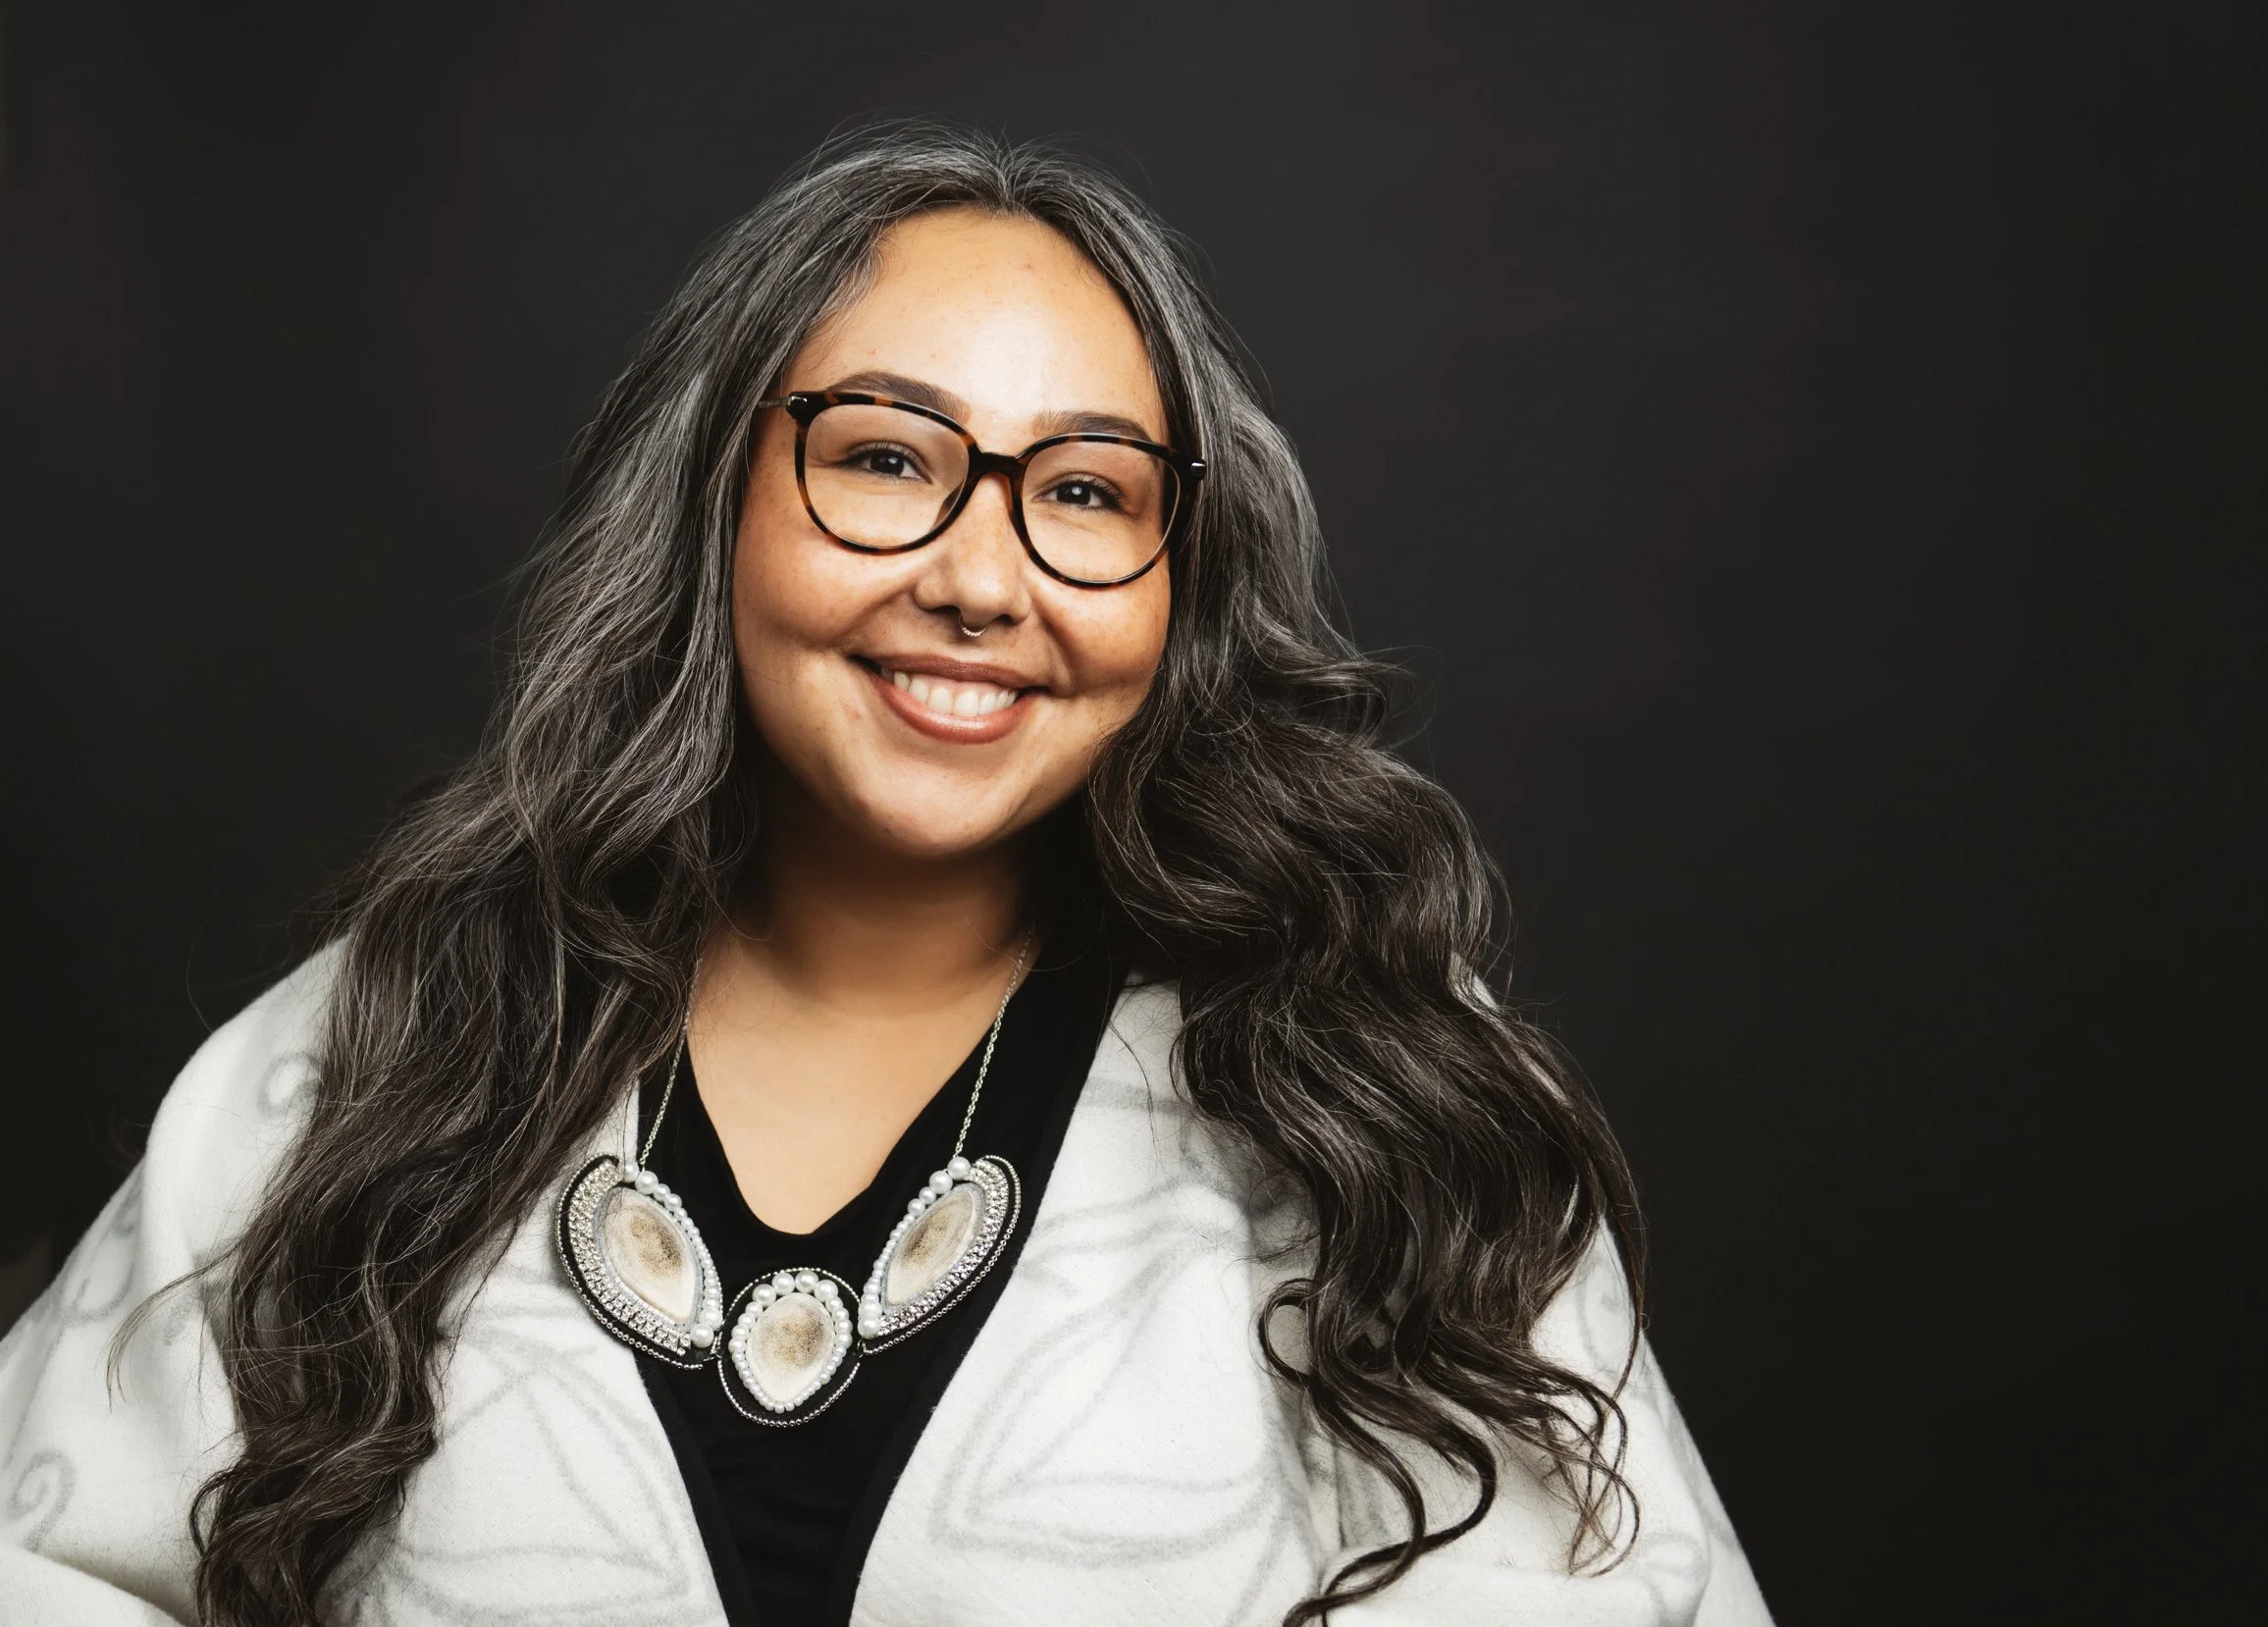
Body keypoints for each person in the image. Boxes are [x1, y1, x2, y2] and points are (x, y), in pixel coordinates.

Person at [0, 125, 1770, 1627]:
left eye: (1083, 492)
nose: (983, 578)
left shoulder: (1385, 1096)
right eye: (884, 458)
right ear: (712, 498)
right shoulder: (392, 1045)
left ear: (1183, 574)